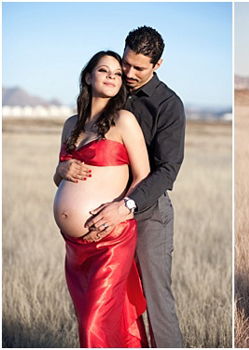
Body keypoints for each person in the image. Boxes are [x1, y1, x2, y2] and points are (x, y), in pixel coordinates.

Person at [56, 26, 186, 347]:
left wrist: (125, 206)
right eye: (124, 63)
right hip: (97, 223)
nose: (127, 73)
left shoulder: (168, 105)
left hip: (145, 210)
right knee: (114, 306)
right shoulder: (114, 88)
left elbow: (167, 170)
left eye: (137, 68)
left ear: (157, 65)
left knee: (155, 299)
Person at [53, 50, 150, 347]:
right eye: (104, 70)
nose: (112, 76)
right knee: (92, 321)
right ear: (88, 76)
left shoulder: (124, 120)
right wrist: (61, 168)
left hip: (110, 240)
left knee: (95, 323)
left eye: (117, 74)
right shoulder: (72, 125)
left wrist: (120, 211)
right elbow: (59, 179)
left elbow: (143, 176)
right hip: (75, 248)